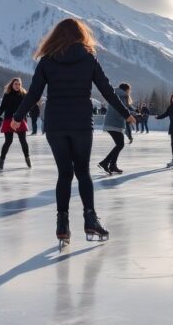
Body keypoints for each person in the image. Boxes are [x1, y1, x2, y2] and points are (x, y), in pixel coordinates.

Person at [10, 18, 135, 244]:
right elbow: (107, 91)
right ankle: (90, 220)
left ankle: (62, 224)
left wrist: (17, 117)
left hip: (55, 124)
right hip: (80, 123)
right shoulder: (88, 58)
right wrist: (126, 113)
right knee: (83, 172)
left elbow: (34, 94)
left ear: (56, 36)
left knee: (64, 174)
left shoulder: (47, 61)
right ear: (80, 35)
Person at [0, 77, 31, 170]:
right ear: (12, 85)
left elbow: (27, 105)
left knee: (23, 141)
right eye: (15, 84)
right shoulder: (7, 94)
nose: (17, 86)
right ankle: (1, 160)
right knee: (8, 141)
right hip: (8, 119)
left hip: (19, 119)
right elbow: (2, 107)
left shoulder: (23, 94)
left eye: (19, 84)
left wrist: (25, 114)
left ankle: (27, 158)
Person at [99, 83, 133, 175]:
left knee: (119, 144)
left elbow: (125, 109)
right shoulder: (123, 96)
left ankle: (112, 165)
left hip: (112, 123)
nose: (130, 92)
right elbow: (122, 110)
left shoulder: (117, 95)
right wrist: (132, 115)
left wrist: (133, 113)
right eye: (129, 90)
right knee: (120, 144)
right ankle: (105, 162)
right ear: (126, 90)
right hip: (114, 124)